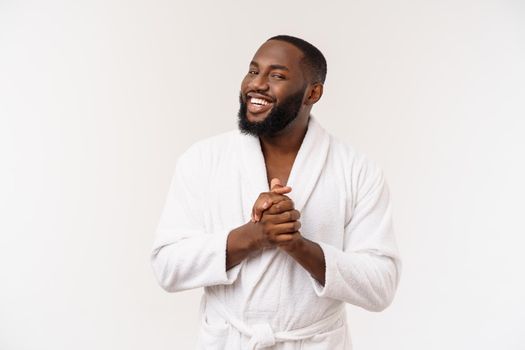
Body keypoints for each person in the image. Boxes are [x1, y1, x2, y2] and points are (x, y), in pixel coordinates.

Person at [151, 35, 401, 349]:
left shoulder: (357, 171)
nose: (257, 84)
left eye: (277, 76)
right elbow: (167, 267)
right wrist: (252, 236)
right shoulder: (202, 160)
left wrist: (297, 245)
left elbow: (381, 286)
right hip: (230, 339)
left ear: (313, 92)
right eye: (253, 71)